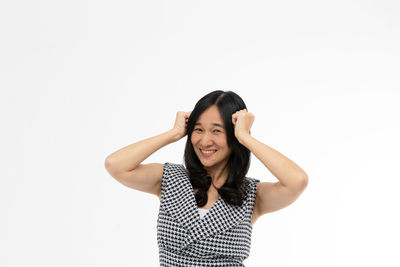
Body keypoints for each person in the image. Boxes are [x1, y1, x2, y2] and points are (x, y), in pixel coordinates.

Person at [104, 90, 308, 266]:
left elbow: (297, 181)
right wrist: (173, 133)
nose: (204, 141)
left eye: (217, 131)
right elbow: (116, 165)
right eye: (198, 129)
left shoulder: (252, 195)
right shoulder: (169, 178)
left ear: (234, 135)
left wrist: (246, 138)